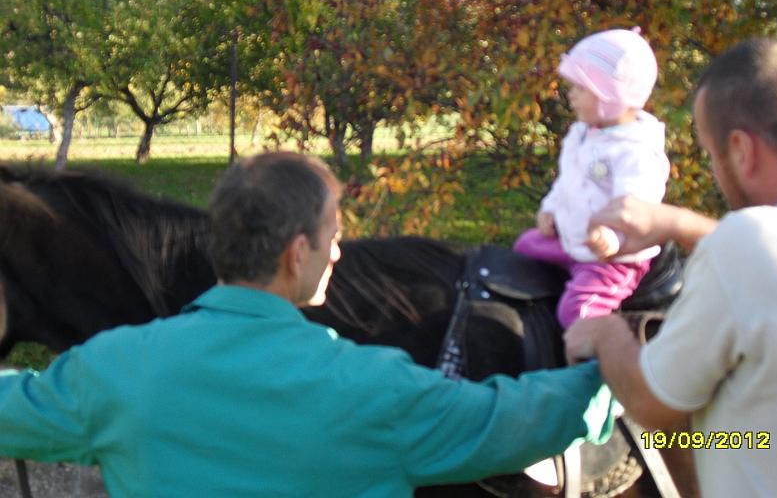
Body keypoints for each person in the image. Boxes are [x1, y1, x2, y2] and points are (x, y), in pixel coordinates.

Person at [0, 151, 615, 497]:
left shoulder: (109, 374)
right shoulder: (375, 390)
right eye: (333, 237)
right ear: (299, 253)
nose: (339, 253)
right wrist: (610, 365)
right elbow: (513, 422)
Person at [565, 38, 777, 498]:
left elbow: (652, 403)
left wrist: (605, 332)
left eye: (712, 155)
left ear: (741, 150)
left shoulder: (745, 245)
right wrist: (681, 225)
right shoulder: (762, 247)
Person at [514, 28, 670, 328]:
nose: (570, 95)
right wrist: (550, 209)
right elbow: (567, 183)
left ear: (611, 97)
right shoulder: (582, 134)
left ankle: (600, 356)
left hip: (612, 258)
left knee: (577, 313)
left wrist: (614, 237)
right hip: (573, 241)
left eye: (580, 88)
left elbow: (637, 208)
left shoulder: (635, 150)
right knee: (523, 248)